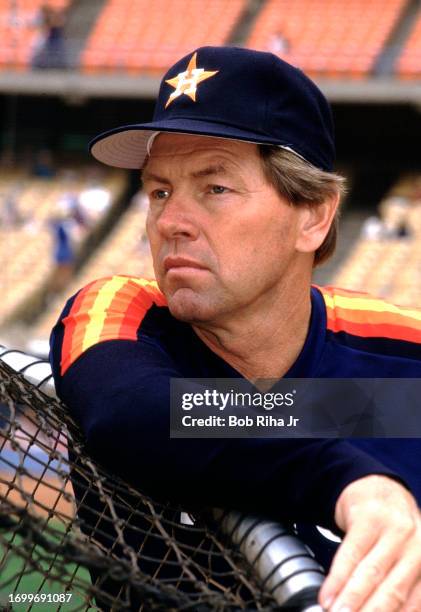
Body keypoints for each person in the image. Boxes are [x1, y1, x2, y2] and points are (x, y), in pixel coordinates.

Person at [50, 46, 421, 611]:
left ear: (314, 215)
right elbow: (139, 409)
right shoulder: (119, 312)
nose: (169, 222)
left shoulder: (405, 350)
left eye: (215, 188)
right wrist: (350, 480)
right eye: (159, 191)